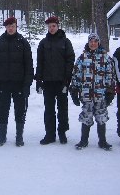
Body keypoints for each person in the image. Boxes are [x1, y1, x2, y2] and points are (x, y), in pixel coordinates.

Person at [0, 17, 33, 147]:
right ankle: (2, 137)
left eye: (12, 25)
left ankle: (19, 137)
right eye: (8, 26)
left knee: (20, 111)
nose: (10, 28)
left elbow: (29, 66)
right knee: (2, 110)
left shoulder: (23, 43)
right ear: (5, 27)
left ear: (16, 26)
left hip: (19, 84)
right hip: (3, 84)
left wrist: (27, 85)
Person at [70, 33, 115, 151]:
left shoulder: (105, 58)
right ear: (88, 43)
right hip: (86, 94)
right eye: (91, 41)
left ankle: (103, 141)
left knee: (101, 116)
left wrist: (110, 90)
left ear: (98, 42)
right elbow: (77, 75)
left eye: (95, 41)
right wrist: (74, 89)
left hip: (101, 94)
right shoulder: (82, 58)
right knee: (86, 116)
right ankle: (83, 140)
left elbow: (110, 75)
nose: (93, 43)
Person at [35, 16, 75, 145]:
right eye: (49, 26)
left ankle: (62, 133)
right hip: (48, 82)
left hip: (61, 82)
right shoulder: (43, 43)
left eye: (53, 26)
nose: (51, 28)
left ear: (58, 26)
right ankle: (50, 134)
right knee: (49, 110)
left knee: (63, 109)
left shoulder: (65, 42)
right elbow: (39, 63)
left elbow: (70, 61)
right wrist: (39, 80)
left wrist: (66, 80)